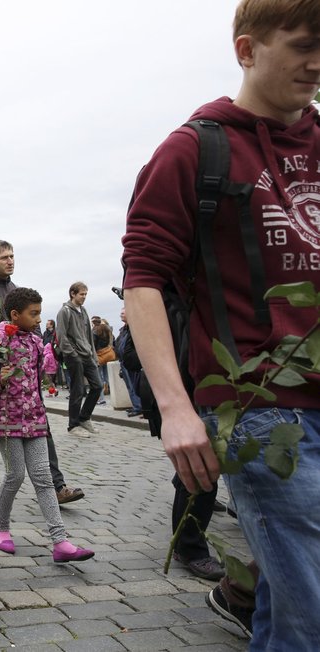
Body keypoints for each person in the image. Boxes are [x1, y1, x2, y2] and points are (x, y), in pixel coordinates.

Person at [123, 2, 320, 647]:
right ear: (247, 49)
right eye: (301, 45)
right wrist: (177, 409)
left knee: (294, 604)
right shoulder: (196, 149)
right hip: (259, 407)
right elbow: (143, 279)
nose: (316, 63)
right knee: (311, 608)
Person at [0, 288, 94, 563]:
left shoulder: (36, 341)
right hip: (5, 420)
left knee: (43, 477)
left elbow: (37, 380)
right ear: (15, 314)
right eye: (33, 313)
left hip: (34, 418)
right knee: (15, 476)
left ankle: (60, 541)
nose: (39, 319)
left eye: (39, 312)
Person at [0, 240, 85, 505]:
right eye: (4, 257)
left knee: (39, 419)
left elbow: (34, 327)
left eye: (12, 256)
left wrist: (36, 350)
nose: (10, 260)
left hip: (25, 369)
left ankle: (56, 485)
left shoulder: (16, 290)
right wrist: (8, 350)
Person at [56, 282, 102, 436]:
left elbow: (88, 335)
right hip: (74, 356)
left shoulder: (83, 311)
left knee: (97, 386)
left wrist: (93, 355)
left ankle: (84, 418)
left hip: (87, 354)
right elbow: (61, 336)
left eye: (85, 294)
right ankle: (73, 425)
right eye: (82, 294)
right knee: (78, 390)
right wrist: (72, 354)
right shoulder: (64, 311)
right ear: (73, 294)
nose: (84, 297)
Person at [114, 308, 143, 418]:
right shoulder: (123, 329)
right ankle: (136, 405)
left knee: (135, 384)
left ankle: (139, 407)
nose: (121, 314)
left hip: (132, 361)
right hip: (124, 361)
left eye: (123, 312)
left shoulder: (134, 328)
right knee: (130, 386)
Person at [91, 316, 114, 404]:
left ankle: (101, 398)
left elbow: (93, 345)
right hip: (107, 354)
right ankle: (108, 388)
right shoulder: (107, 329)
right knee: (106, 375)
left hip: (99, 356)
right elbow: (111, 341)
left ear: (93, 323)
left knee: (98, 377)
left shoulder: (95, 331)